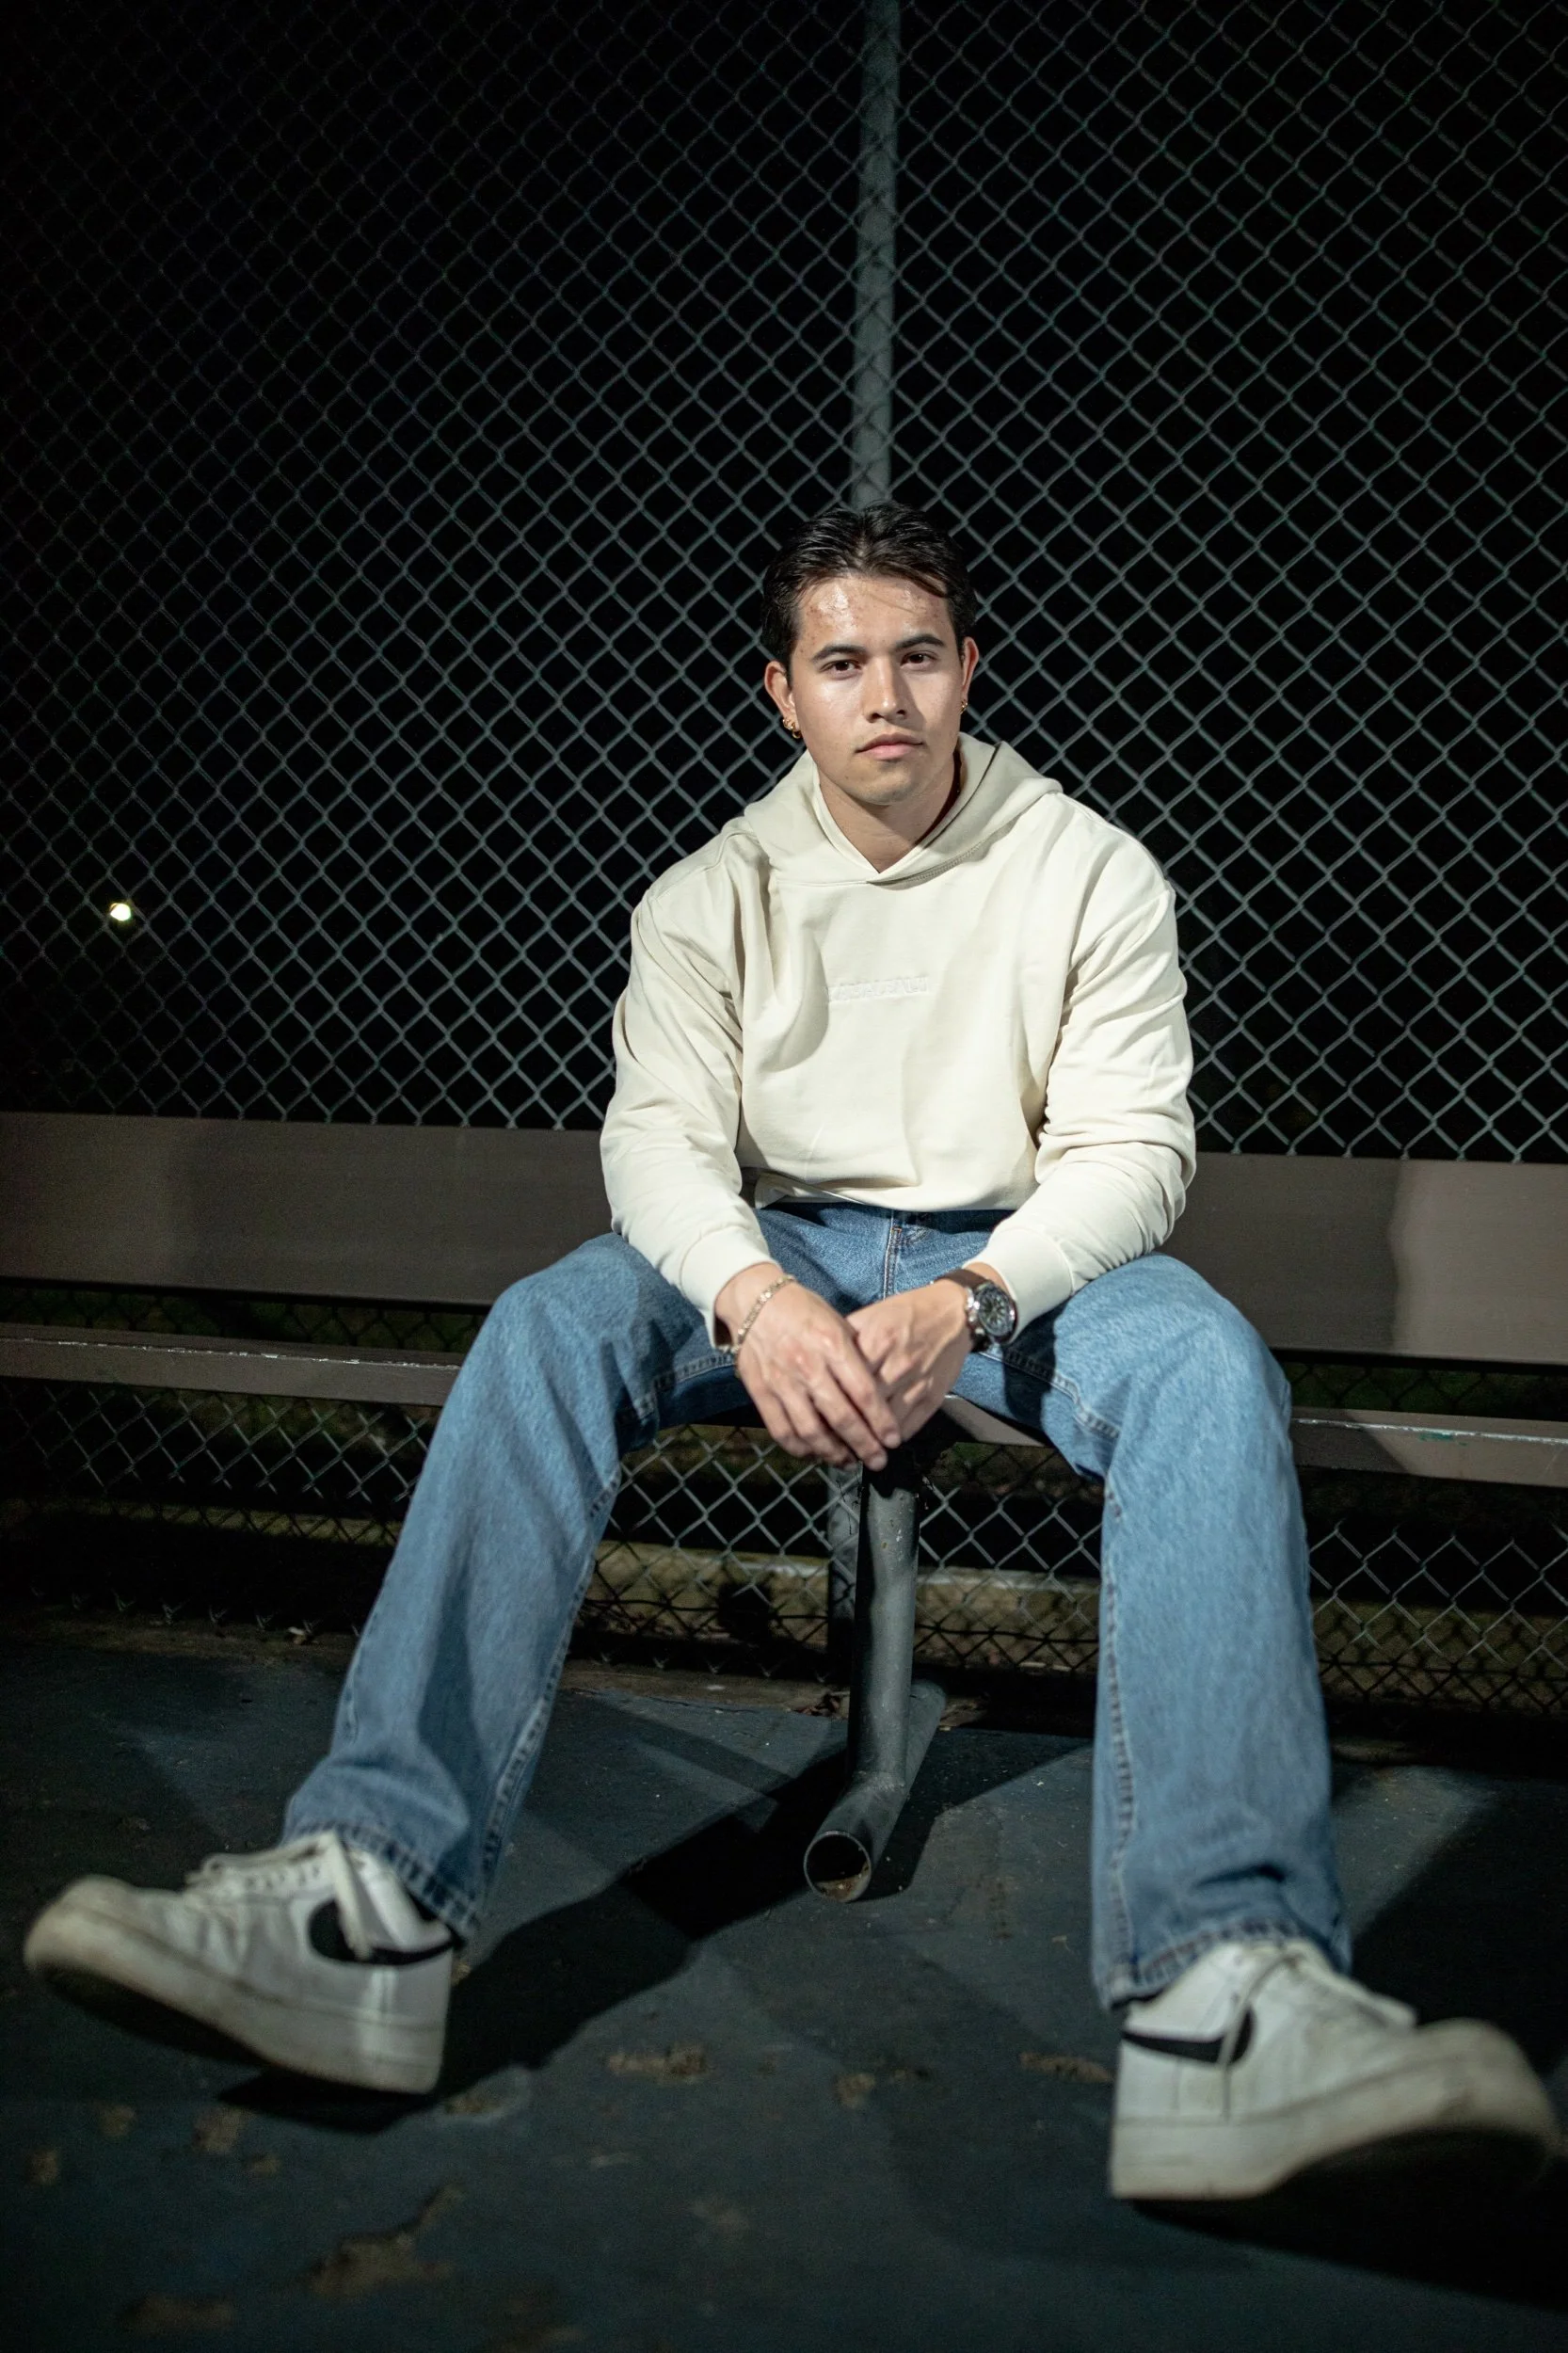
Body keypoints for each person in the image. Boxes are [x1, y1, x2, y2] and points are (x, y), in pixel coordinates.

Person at [26, 504, 1555, 2201]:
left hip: (1012, 1261)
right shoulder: (710, 896)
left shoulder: (1088, 869)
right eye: (841, 663)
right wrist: (755, 1299)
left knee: (1204, 1369)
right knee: (550, 1325)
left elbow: (1132, 1154)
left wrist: (970, 1300)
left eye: (917, 655)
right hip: (779, 1248)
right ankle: (365, 1906)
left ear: (969, 669)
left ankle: (1223, 1995)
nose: (883, 695)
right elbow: (658, 1147)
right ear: (783, 692)